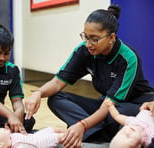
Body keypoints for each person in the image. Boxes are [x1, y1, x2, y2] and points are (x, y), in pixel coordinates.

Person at [25, 4, 154, 148]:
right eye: (85, 37)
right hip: (106, 104)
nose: (88, 44)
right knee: (56, 98)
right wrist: (38, 93)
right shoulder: (84, 51)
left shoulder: (128, 58)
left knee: (115, 113)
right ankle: (99, 135)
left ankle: (93, 133)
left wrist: (82, 124)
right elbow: (57, 83)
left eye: (94, 39)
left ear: (111, 37)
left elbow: (110, 105)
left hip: (133, 105)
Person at [0, 127, 64, 148]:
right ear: (0, 145)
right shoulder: (18, 146)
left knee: (56, 129)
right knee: (63, 137)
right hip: (42, 142)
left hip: (36, 136)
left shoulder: (9, 138)